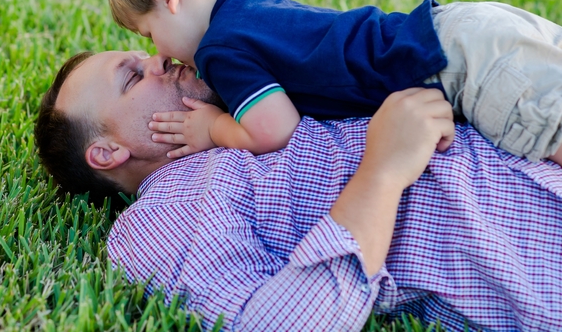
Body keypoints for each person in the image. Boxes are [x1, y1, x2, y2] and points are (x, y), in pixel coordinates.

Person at [34, 50, 562, 331]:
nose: (159, 58)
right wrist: (383, 169)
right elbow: (281, 321)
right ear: (107, 152)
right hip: (532, 248)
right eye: (133, 77)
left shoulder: (248, 111)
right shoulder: (166, 213)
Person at [105, 0, 562, 166]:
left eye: (149, 34)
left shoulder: (221, 47)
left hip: (457, 66)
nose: (160, 54)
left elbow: (275, 131)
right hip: (462, 30)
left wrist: (214, 128)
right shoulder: (250, 9)